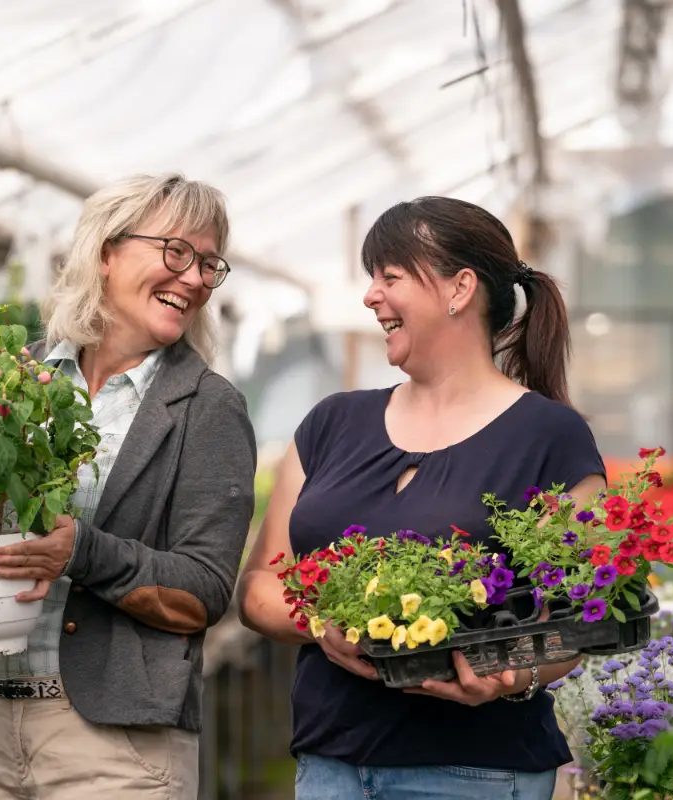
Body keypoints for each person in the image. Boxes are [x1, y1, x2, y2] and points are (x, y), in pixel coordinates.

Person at [237, 197, 606, 800]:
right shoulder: (333, 423)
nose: (370, 296)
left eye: (390, 276)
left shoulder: (550, 437)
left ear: (460, 288)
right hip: (331, 764)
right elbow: (258, 588)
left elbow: (577, 622)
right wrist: (321, 622)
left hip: (477, 772)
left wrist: (509, 674)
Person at [0, 173, 257, 800]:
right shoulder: (17, 382)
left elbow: (204, 591)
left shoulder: (206, 407)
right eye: (176, 252)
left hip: (113, 745)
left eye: (208, 264)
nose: (194, 279)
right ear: (106, 252)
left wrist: (82, 553)